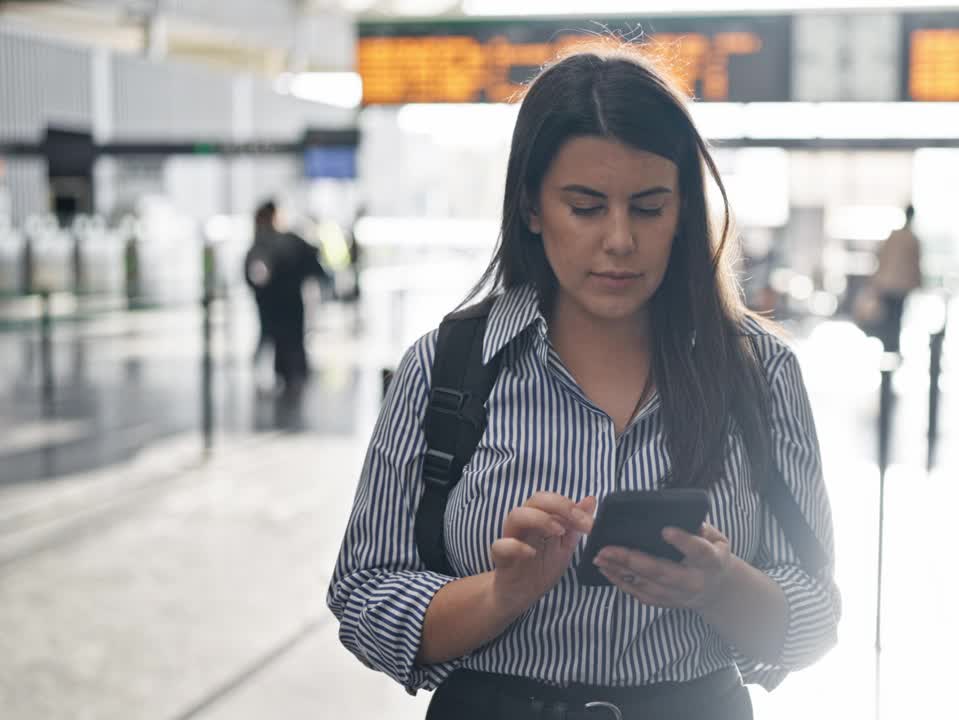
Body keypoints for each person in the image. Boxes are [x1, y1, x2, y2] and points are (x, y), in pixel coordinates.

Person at [327, 48, 840, 720]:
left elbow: (814, 616)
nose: (620, 240)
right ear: (532, 207)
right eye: (586, 207)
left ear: (684, 212)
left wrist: (719, 586)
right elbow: (364, 595)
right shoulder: (448, 367)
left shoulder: (759, 373)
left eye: (649, 208)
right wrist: (501, 593)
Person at [243, 200, 326, 395]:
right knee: (292, 341)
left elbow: (254, 276)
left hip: (271, 305)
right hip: (291, 304)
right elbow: (314, 265)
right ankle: (293, 379)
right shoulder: (290, 240)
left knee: (272, 339)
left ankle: (284, 379)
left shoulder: (261, 245)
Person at [869, 204, 923, 354]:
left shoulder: (894, 236)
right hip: (900, 287)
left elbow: (881, 259)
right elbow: (915, 264)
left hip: (887, 284)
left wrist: (876, 281)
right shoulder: (912, 239)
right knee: (894, 318)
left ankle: (888, 346)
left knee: (888, 317)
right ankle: (891, 346)